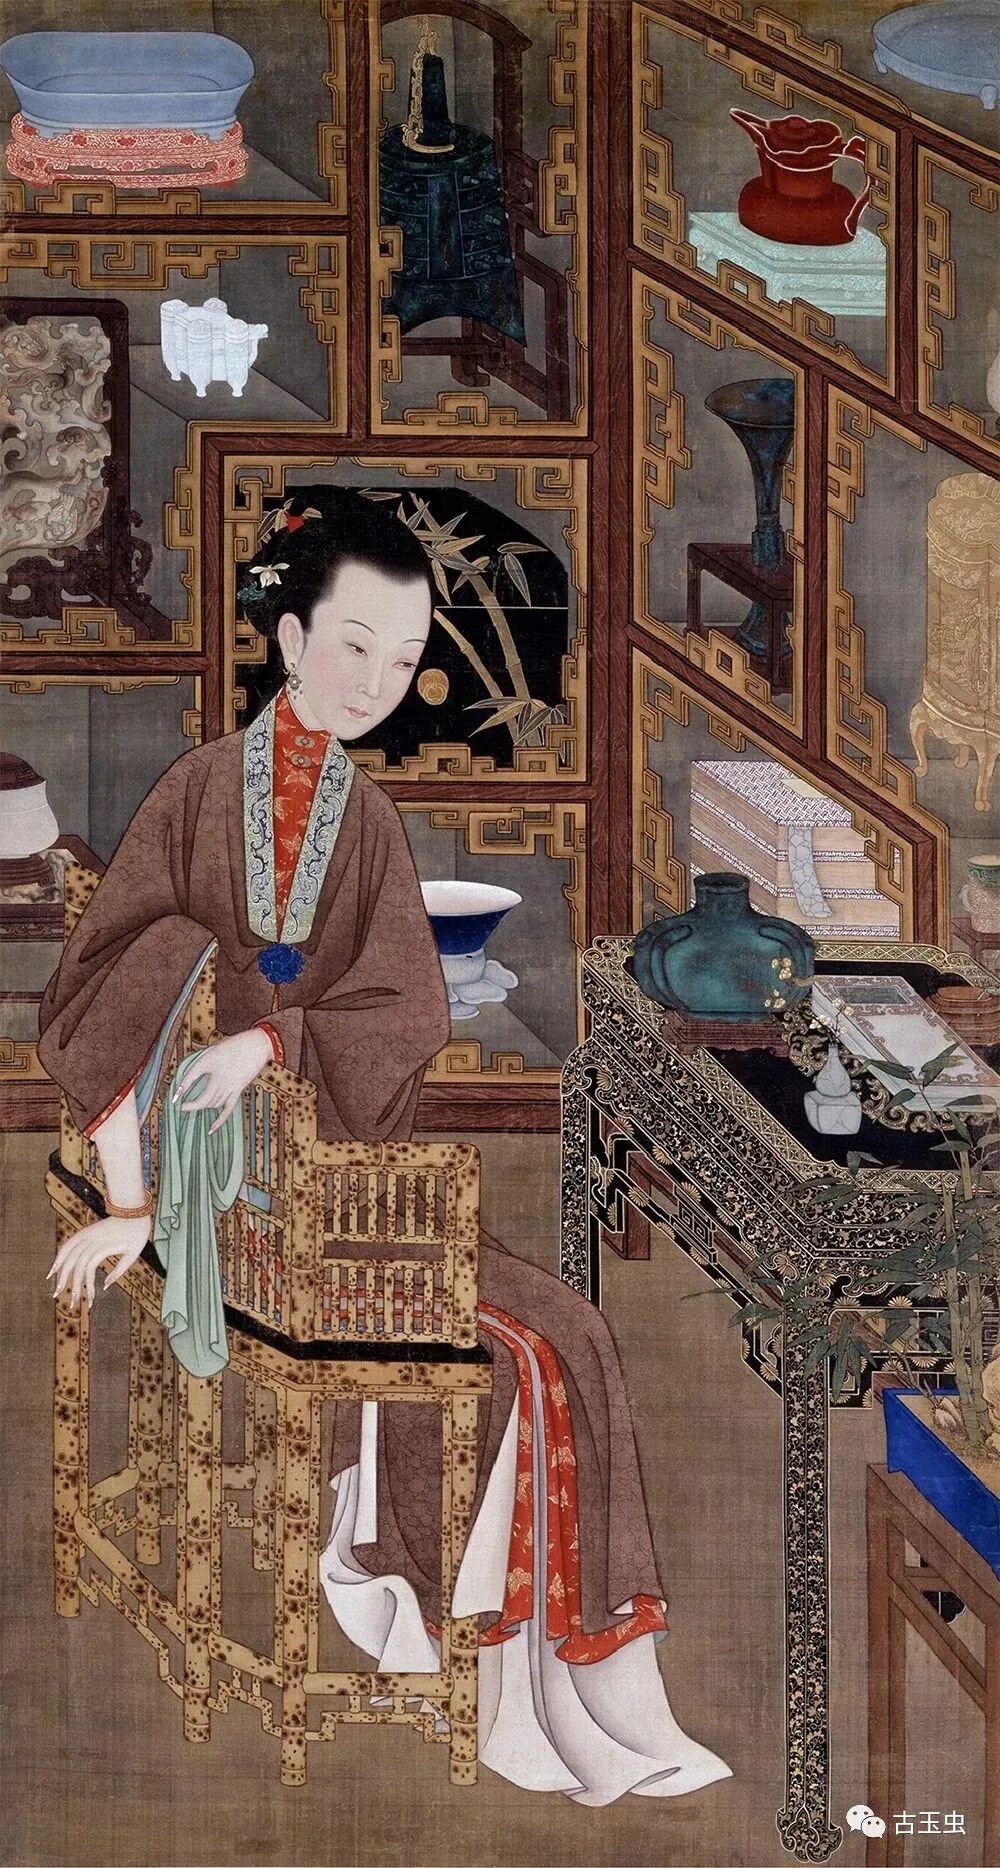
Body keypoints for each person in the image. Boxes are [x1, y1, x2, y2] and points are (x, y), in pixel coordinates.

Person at [39, 489, 731, 1806]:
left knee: (563, 1336)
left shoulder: (366, 819)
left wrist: (278, 1039)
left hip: (341, 1174)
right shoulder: (197, 790)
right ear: (292, 637)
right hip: (228, 1200)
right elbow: (104, 989)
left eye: (403, 661)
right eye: (353, 644)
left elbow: (406, 1003)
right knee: (519, 1344)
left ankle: (584, 1680)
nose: (373, 682)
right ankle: (478, 1643)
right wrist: (133, 1198)